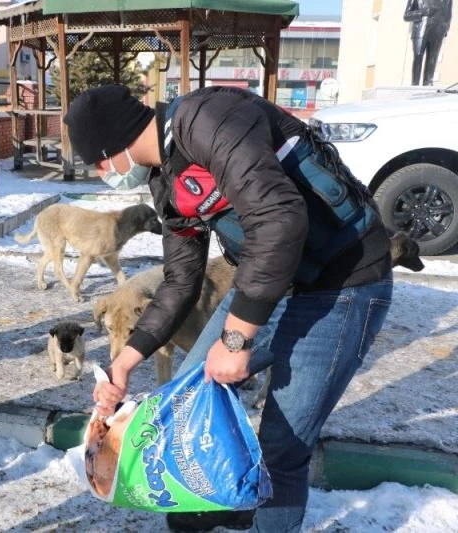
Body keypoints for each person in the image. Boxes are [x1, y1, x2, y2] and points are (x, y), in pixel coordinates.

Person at [64, 85, 394, 533]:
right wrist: (126, 360)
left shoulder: (209, 118)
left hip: (344, 282)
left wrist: (236, 338)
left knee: (282, 445)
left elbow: (280, 217)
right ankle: (214, 505)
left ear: (110, 148)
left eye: (97, 163)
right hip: (276, 283)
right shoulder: (167, 181)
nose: (103, 173)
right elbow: (181, 281)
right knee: (186, 400)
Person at [404, 0, 452, 85]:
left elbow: (449, 14)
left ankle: (428, 83)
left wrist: (445, 28)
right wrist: (422, 12)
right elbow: (406, 15)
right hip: (420, 30)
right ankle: (415, 84)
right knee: (418, 56)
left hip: (438, 30)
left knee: (432, 58)